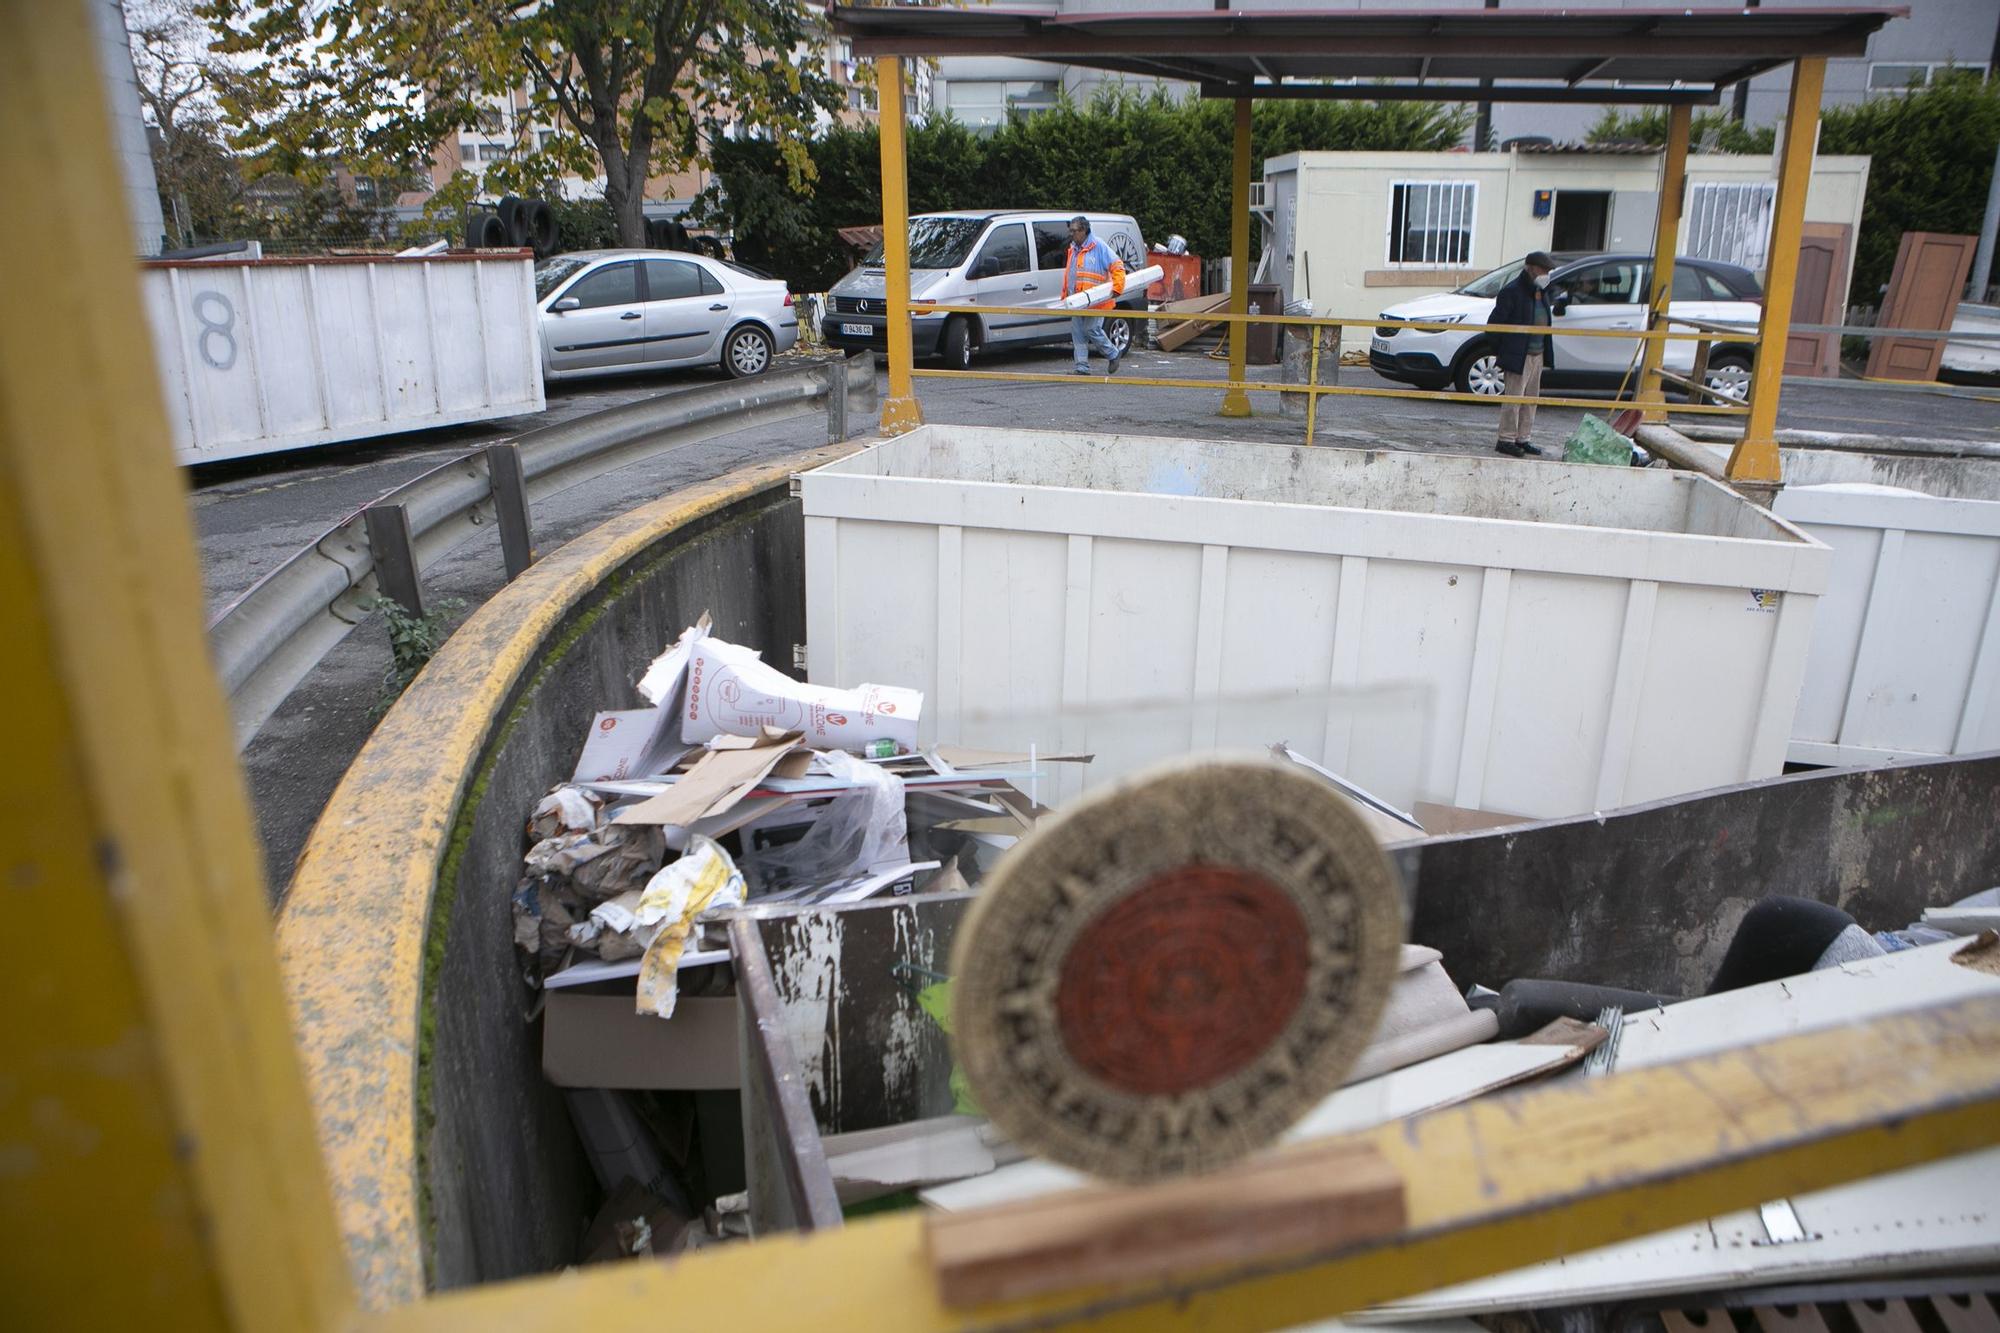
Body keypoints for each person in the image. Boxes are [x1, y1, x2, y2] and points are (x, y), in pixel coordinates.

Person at [1490, 251, 1556, 457]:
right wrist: (1506, 350)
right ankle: (1506, 439)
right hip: (1520, 355)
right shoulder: (1512, 292)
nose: (1546, 274)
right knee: (1514, 399)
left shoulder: (1541, 291)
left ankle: (1523, 438)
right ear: (1531, 268)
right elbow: (1494, 326)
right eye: (1544, 270)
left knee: (1530, 399)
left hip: (1537, 353)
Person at [1062, 216, 1126, 376]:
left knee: (1092, 329)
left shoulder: (1098, 246)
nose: (1071, 234)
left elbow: (1117, 265)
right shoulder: (1074, 248)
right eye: (1070, 230)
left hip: (1095, 302)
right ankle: (1082, 367)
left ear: (1083, 231)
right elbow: (1071, 274)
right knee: (1078, 334)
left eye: (1074, 231)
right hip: (1077, 301)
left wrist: (1118, 287)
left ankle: (1113, 354)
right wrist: (1066, 294)